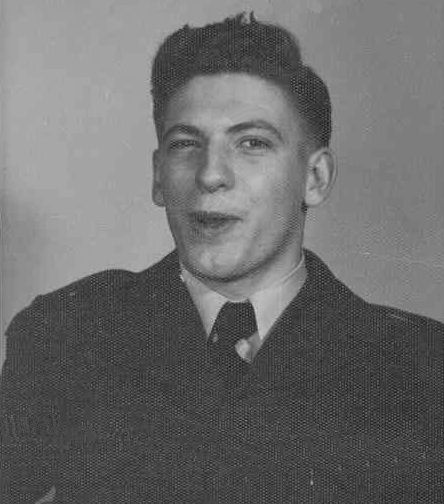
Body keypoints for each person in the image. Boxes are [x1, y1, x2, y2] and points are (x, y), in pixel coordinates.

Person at [1, 12, 443, 503]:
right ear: (158, 176)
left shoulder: (418, 367)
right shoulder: (67, 335)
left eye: (252, 143)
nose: (211, 174)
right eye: (185, 144)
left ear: (315, 178)